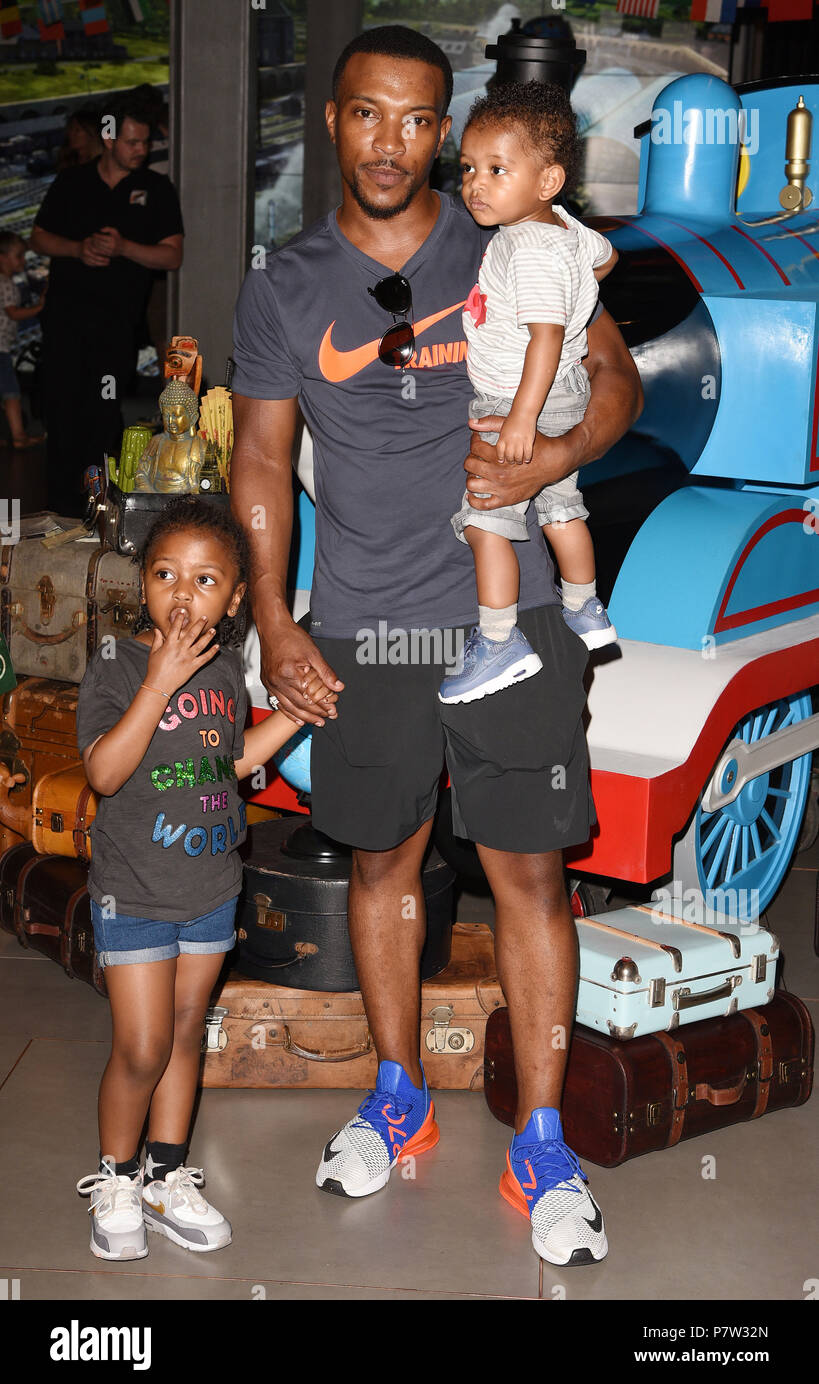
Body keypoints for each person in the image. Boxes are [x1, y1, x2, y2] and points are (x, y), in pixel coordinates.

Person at [231, 26, 642, 1267]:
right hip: (363, 624)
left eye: (420, 121)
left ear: (448, 130)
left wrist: (556, 455)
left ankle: (546, 1139)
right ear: (334, 123)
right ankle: (397, 1090)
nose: (395, 144)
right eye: (370, 116)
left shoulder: (518, 231)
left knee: (530, 874)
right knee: (382, 870)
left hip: (503, 619)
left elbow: (614, 378)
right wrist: (277, 616)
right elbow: (258, 460)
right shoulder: (285, 283)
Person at [74, 497, 336, 1262]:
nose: (182, 593)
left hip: (211, 889)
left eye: (204, 579)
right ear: (144, 583)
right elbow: (104, 772)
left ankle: (163, 1174)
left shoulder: (225, 669)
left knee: (189, 1035)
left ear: (233, 600)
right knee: (143, 1045)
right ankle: (116, 1177)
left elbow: (235, 762)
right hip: (136, 892)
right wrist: (157, 682)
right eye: (165, 574)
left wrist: (295, 713)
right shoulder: (120, 664)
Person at [440, 81, 619, 706]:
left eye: (496, 169)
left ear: (547, 181)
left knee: (488, 518)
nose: (475, 184)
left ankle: (498, 641)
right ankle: (585, 605)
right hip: (559, 394)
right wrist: (580, 292)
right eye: (467, 168)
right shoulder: (563, 229)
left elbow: (544, 340)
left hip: (520, 399)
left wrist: (520, 420)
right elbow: (606, 257)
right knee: (560, 504)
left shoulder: (527, 249)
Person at [31, 96, 184, 516]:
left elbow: (172, 256)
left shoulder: (156, 189)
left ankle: (100, 511)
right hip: (64, 321)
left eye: (145, 142)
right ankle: (58, 514)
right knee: (60, 417)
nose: (142, 149)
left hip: (116, 326)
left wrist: (124, 247)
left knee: (102, 418)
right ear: (109, 139)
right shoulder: (72, 183)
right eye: (133, 141)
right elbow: (39, 238)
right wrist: (78, 248)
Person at [0, 232, 46, 450]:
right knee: (11, 393)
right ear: (3, 258)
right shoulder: (6, 284)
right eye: (18, 256)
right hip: (0, 350)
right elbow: (13, 313)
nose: (23, 261)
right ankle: (19, 437)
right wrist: (39, 308)